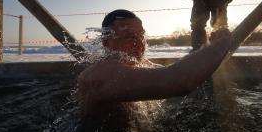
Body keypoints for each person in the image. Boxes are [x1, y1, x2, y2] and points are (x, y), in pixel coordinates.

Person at [77, 9, 233, 117]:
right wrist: (221, 44)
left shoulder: (138, 67)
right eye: (130, 37)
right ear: (106, 42)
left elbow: (174, 70)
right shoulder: (98, 75)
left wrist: (206, 49)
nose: (140, 45)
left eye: (142, 37)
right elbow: (180, 81)